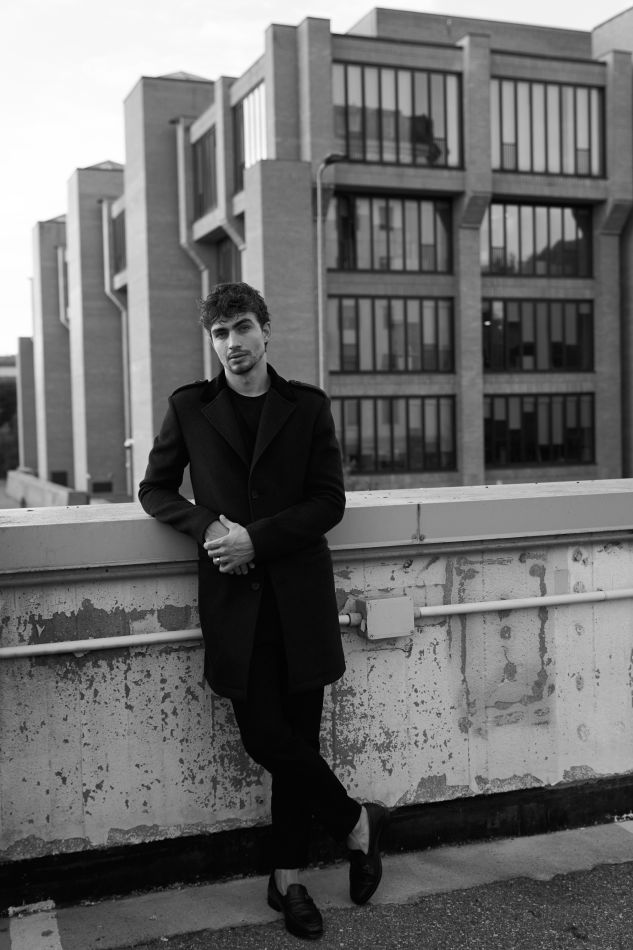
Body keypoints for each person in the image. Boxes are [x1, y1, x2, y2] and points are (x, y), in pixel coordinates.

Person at [138, 281, 388, 941]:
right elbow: (154, 489)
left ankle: (287, 880)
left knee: (297, 742)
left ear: (265, 330)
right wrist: (207, 526)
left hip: (299, 601)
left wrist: (259, 538)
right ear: (212, 341)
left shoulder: (306, 406)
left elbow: (328, 501)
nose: (232, 343)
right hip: (235, 606)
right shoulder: (190, 407)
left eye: (242, 327)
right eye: (220, 333)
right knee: (265, 737)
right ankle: (356, 823)